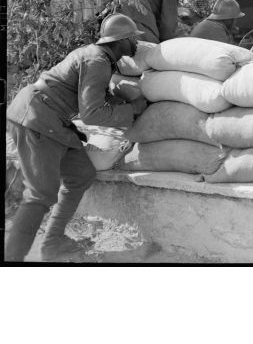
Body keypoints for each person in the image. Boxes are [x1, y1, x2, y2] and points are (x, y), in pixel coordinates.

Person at [5, 14, 148, 262]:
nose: (136, 43)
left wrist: (122, 103)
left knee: (81, 174)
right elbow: (92, 113)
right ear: (121, 40)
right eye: (133, 39)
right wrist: (132, 109)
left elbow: (94, 99)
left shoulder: (100, 58)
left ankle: (52, 243)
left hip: (52, 120)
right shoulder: (96, 60)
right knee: (40, 194)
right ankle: (12, 257)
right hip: (38, 117)